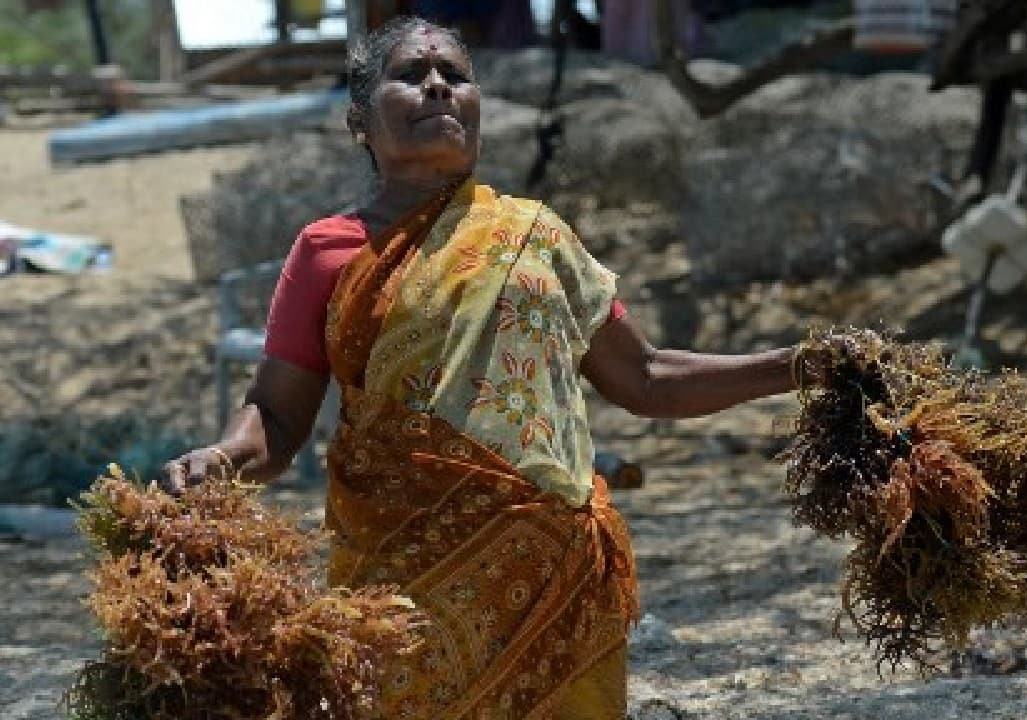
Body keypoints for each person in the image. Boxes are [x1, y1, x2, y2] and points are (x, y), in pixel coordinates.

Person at [164, 17, 804, 719]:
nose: (439, 85)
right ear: (359, 122)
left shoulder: (537, 237)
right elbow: (278, 414)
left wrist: (793, 367)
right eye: (410, 75)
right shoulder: (326, 251)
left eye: (456, 76)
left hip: (552, 574)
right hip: (402, 579)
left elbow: (644, 376)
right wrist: (222, 459)